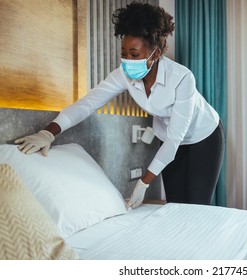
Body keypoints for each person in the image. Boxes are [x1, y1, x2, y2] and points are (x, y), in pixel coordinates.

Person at [15, 2, 224, 209]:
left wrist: (143, 183)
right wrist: (49, 133)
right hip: (168, 137)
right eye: (124, 53)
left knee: (197, 206)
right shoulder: (123, 75)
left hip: (203, 137)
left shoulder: (181, 78)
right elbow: (88, 103)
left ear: (156, 53)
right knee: (176, 205)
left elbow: (174, 140)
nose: (127, 60)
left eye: (134, 54)